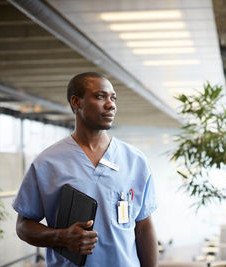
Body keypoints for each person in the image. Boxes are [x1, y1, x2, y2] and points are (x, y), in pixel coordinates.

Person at [12, 72, 158, 266]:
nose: (110, 104)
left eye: (113, 98)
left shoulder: (135, 160)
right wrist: (61, 237)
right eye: (100, 96)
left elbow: (144, 227)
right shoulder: (47, 163)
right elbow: (23, 226)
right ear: (76, 102)